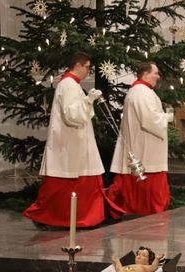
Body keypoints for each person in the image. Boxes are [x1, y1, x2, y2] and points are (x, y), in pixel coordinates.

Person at [24, 52, 116, 228]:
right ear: (78, 65)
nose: (89, 71)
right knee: (70, 185)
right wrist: (89, 100)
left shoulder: (71, 84)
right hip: (70, 144)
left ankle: (82, 217)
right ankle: (71, 217)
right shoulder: (69, 85)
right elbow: (72, 115)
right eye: (87, 67)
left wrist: (88, 101)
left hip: (75, 141)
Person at [106, 61, 173, 215]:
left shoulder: (139, 90)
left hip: (142, 145)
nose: (158, 76)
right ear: (146, 74)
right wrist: (167, 117)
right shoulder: (142, 92)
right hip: (145, 147)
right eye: (155, 73)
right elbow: (149, 120)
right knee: (150, 189)